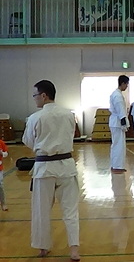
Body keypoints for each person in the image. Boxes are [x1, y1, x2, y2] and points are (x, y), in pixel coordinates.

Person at [22, 80, 80, 261]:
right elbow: (71, 135)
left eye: (35, 95)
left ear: (44, 95)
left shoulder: (34, 118)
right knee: (71, 211)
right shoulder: (69, 115)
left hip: (44, 168)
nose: (34, 99)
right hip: (66, 167)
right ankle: (74, 250)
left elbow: (28, 142)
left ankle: (43, 247)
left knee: (41, 210)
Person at [109, 75, 129, 173]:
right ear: (123, 83)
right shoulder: (117, 95)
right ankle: (117, 166)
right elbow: (120, 110)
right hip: (118, 123)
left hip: (115, 122)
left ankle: (115, 165)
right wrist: (124, 123)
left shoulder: (116, 94)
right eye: (126, 84)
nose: (127, 86)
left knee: (116, 144)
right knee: (119, 145)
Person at [0, 139, 8, 211]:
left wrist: (2, 153)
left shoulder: (1, 143)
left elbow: (6, 154)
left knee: (0, 185)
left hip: (0, 168)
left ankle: (3, 203)